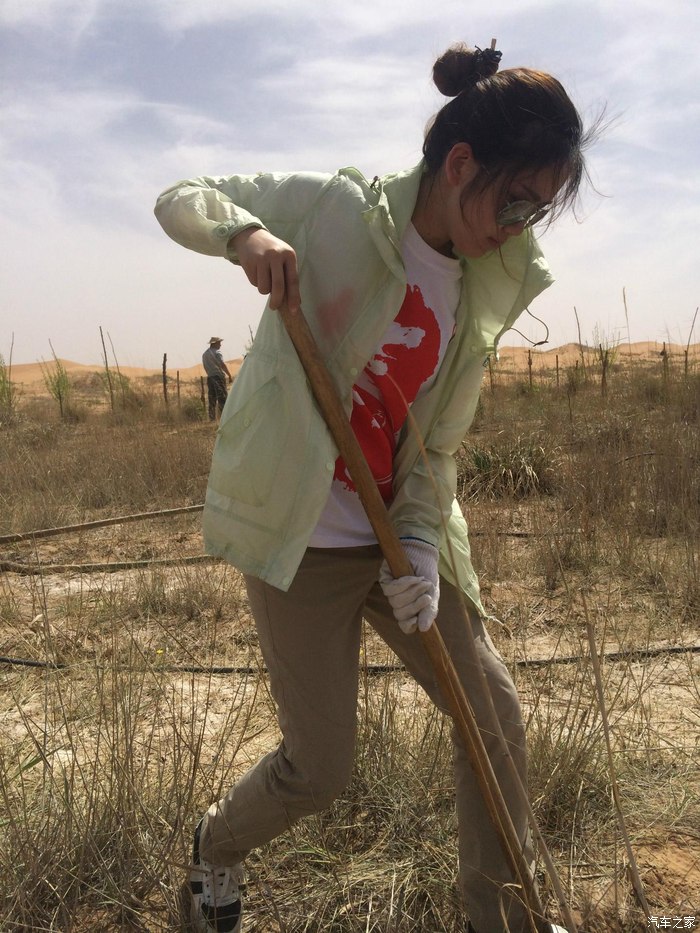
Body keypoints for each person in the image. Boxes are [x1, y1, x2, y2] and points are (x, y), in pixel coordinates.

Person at [155, 41, 596, 933]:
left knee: (494, 721)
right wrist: (245, 235)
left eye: (539, 212)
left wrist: (424, 543)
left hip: (400, 539)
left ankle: (503, 920)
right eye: (516, 201)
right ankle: (215, 846)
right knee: (319, 771)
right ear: (460, 164)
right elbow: (181, 195)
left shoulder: (483, 281)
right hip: (302, 541)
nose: (521, 227)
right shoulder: (335, 210)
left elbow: (436, 441)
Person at [202, 337, 233, 420]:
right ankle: (224, 418)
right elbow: (222, 364)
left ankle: (212, 418)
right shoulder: (217, 352)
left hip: (210, 377)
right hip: (218, 377)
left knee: (212, 399)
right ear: (215, 343)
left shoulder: (205, 354)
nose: (220, 345)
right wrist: (229, 375)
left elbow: (205, 366)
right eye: (219, 343)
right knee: (222, 398)